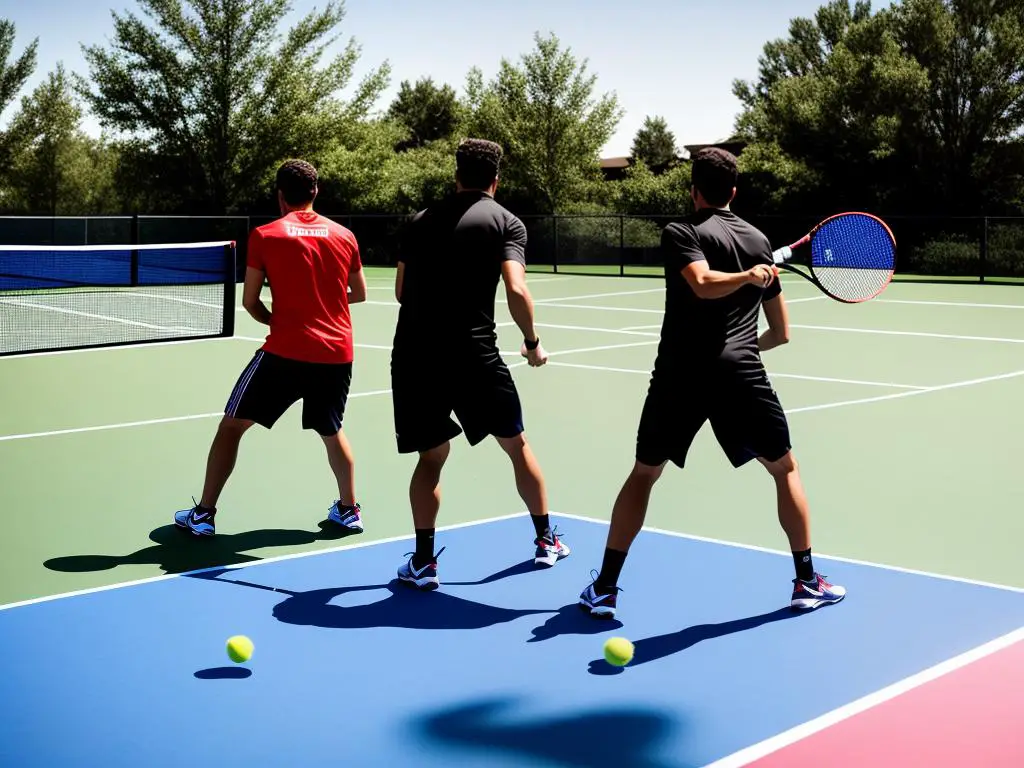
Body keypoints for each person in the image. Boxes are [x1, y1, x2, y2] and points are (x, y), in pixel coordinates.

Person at [578, 147, 846, 618]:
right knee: (786, 471)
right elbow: (781, 333)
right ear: (734, 192)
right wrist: (744, 335)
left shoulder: (681, 232)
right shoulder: (759, 242)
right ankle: (806, 581)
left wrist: (742, 284)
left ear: (694, 190)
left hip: (680, 374)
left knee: (644, 474)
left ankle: (605, 587)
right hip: (739, 374)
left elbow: (699, 282)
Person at [389, 138, 569, 591]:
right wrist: (532, 343)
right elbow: (516, 290)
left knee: (431, 457)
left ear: (457, 175)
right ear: (495, 179)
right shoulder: (506, 222)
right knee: (516, 445)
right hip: (474, 355)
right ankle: (546, 540)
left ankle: (424, 562)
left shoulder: (417, 221)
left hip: (414, 355)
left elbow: (400, 292)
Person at [174, 159, 367, 537]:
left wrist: (274, 320)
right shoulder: (345, 235)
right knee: (332, 430)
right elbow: (357, 294)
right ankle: (349, 510)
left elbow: (249, 302)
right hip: (336, 354)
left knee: (231, 428)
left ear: (280, 196)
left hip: (284, 353)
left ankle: (204, 515)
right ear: (316, 192)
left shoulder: (265, 235)